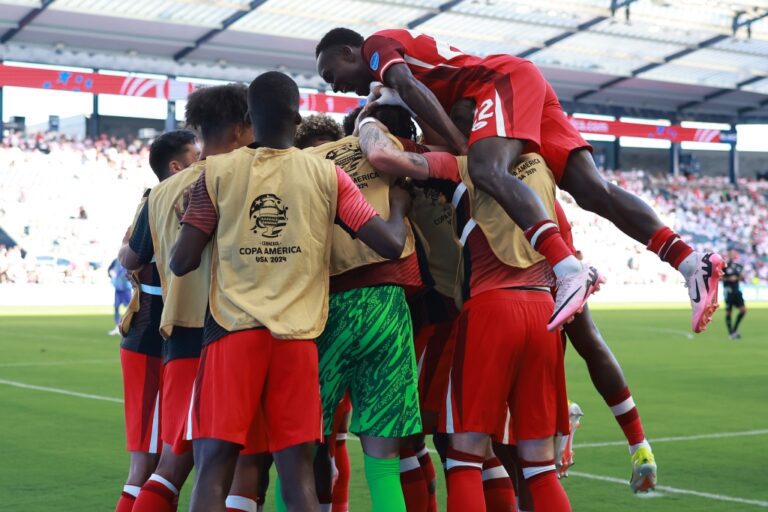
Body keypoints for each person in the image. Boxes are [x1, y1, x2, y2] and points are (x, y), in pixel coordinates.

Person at [315, 27, 724, 333]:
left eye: (330, 72)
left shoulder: (377, 49)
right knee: (590, 190)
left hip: (500, 81)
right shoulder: (394, 83)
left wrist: (462, 148)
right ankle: (690, 262)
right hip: (519, 83)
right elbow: (423, 105)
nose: (333, 84)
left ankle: (567, 270)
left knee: (484, 168)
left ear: (349, 51)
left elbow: (409, 86)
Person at [169, 71, 413, 512]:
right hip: (297, 342)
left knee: (214, 468)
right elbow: (390, 244)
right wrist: (398, 206)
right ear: (297, 118)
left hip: (232, 334)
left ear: (248, 118)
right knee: (298, 472)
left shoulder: (216, 173)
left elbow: (181, 261)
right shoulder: (329, 176)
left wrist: (209, 222)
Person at [119, 84, 267, 512]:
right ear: (243, 128)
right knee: (246, 462)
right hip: (238, 330)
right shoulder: (254, 176)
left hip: (179, 338)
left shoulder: (159, 192)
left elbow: (134, 255)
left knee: (172, 464)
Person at [300, 111, 423, 512]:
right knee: (385, 461)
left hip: (322, 311)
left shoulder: (301, 167)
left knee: (302, 452)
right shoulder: (374, 147)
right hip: (385, 303)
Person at [114, 129, 200, 512]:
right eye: (196, 154)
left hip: (162, 340)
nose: (205, 159)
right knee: (151, 466)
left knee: (167, 464)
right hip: (154, 341)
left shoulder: (175, 197)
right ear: (176, 166)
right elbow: (131, 257)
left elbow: (128, 255)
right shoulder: (158, 200)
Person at [723, 249, 747, 339]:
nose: (733, 255)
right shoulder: (724, 265)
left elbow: (741, 277)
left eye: (734, 253)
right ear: (728, 254)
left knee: (743, 310)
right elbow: (720, 277)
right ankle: (731, 333)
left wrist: (741, 277)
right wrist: (729, 279)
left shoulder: (738, 266)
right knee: (729, 312)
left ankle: (734, 329)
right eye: (731, 253)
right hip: (728, 291)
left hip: (737, 291)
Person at [108, 258, 132, 336]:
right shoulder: (116, 261)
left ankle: (129, 327)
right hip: (118, 287)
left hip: (126, 287)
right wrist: (111, 274)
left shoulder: (129, 259)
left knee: (131, 308)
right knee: (116, 307)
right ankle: (117, 327)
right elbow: (110, 270)